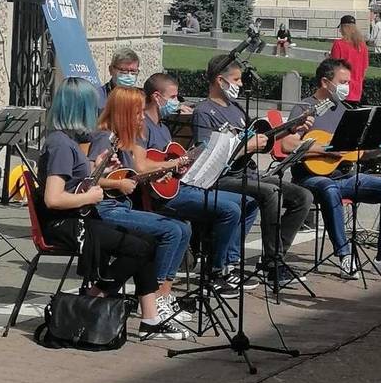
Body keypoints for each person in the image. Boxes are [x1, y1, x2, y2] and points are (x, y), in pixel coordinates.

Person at [38, 77, 182, 341]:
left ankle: (149, 318)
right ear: (79, 109)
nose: (97, 114)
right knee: (142, 246)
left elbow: (78, 181)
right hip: (66, 223)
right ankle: (98, 293)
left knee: (145, 241)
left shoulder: (68, 141)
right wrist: (92, 195)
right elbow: (54, 199)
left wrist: (102, 167)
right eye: (92, 108)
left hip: (80, 216)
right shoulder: (60, 144)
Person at [281, 58, 381, 278]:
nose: (347, 88)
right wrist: (326, 150)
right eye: (343, 82)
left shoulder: (345, 110)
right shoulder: (304, 108)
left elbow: (359, 153)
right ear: (325, 82)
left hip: (344, 177)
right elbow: (287, 144)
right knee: (329, 189)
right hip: (310, 179)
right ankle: (344, 255)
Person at [192, 55, 314, 284]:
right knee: (269, 193)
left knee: (302, 196)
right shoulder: (204, 111)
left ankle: (275, 256)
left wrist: (291, 128)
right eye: (236, 80)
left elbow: (263, 139)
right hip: (222, 177)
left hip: (247, 173)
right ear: (220, 80)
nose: (240, 85)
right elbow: (204, 156)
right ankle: (271, 264)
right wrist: (244, 148)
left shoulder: (236, 108)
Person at [142, 73, 259, 297]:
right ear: (157, 97)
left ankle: (228, 262)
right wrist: (174, 164)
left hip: (180, 185)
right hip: (165, 196)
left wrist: (186, 163)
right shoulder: (143, 126)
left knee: (248, 201)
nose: (178, 103)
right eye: (173, 97)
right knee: (230, 209)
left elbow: (172, 162)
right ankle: (215, 271)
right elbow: (142, 163)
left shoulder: (165, 127)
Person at [89, 86, 192, 324]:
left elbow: (131, 173)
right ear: (124, 112)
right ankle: (154, 297)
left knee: (183, 228)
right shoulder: (104, 138)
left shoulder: (124, 140)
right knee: (171, 230)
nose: (142, 116)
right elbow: (89, 177)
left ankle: (163, 294)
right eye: (137, 112)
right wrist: (118, 184)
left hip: (121, 206)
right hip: (106, 209)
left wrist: (155, 176)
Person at [330, 14, 368, 103]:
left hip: (341, 90)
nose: (340, 31)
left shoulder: (338, 44)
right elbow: (365, 68)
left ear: (343, 28)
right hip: (357, 90)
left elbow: (334, 68)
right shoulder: (362, 46)